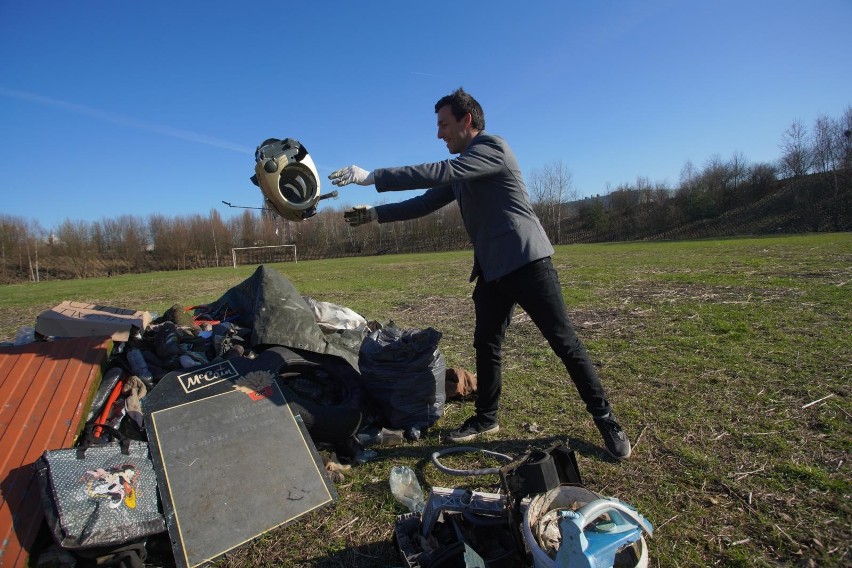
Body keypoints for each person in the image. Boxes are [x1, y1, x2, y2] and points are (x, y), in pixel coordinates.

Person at [328, 88, 631, 459]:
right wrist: (376, 214)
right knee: (486, 344)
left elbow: (440, 171)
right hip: (492, 270)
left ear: (467, 121)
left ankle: (605, 418)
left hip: (527, 261)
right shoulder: (461, 170)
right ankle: (487, 417)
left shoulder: (491, 149)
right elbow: (426, 201)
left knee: (563, 342)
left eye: (444, 124)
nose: (439, 134)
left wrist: (372, 176)